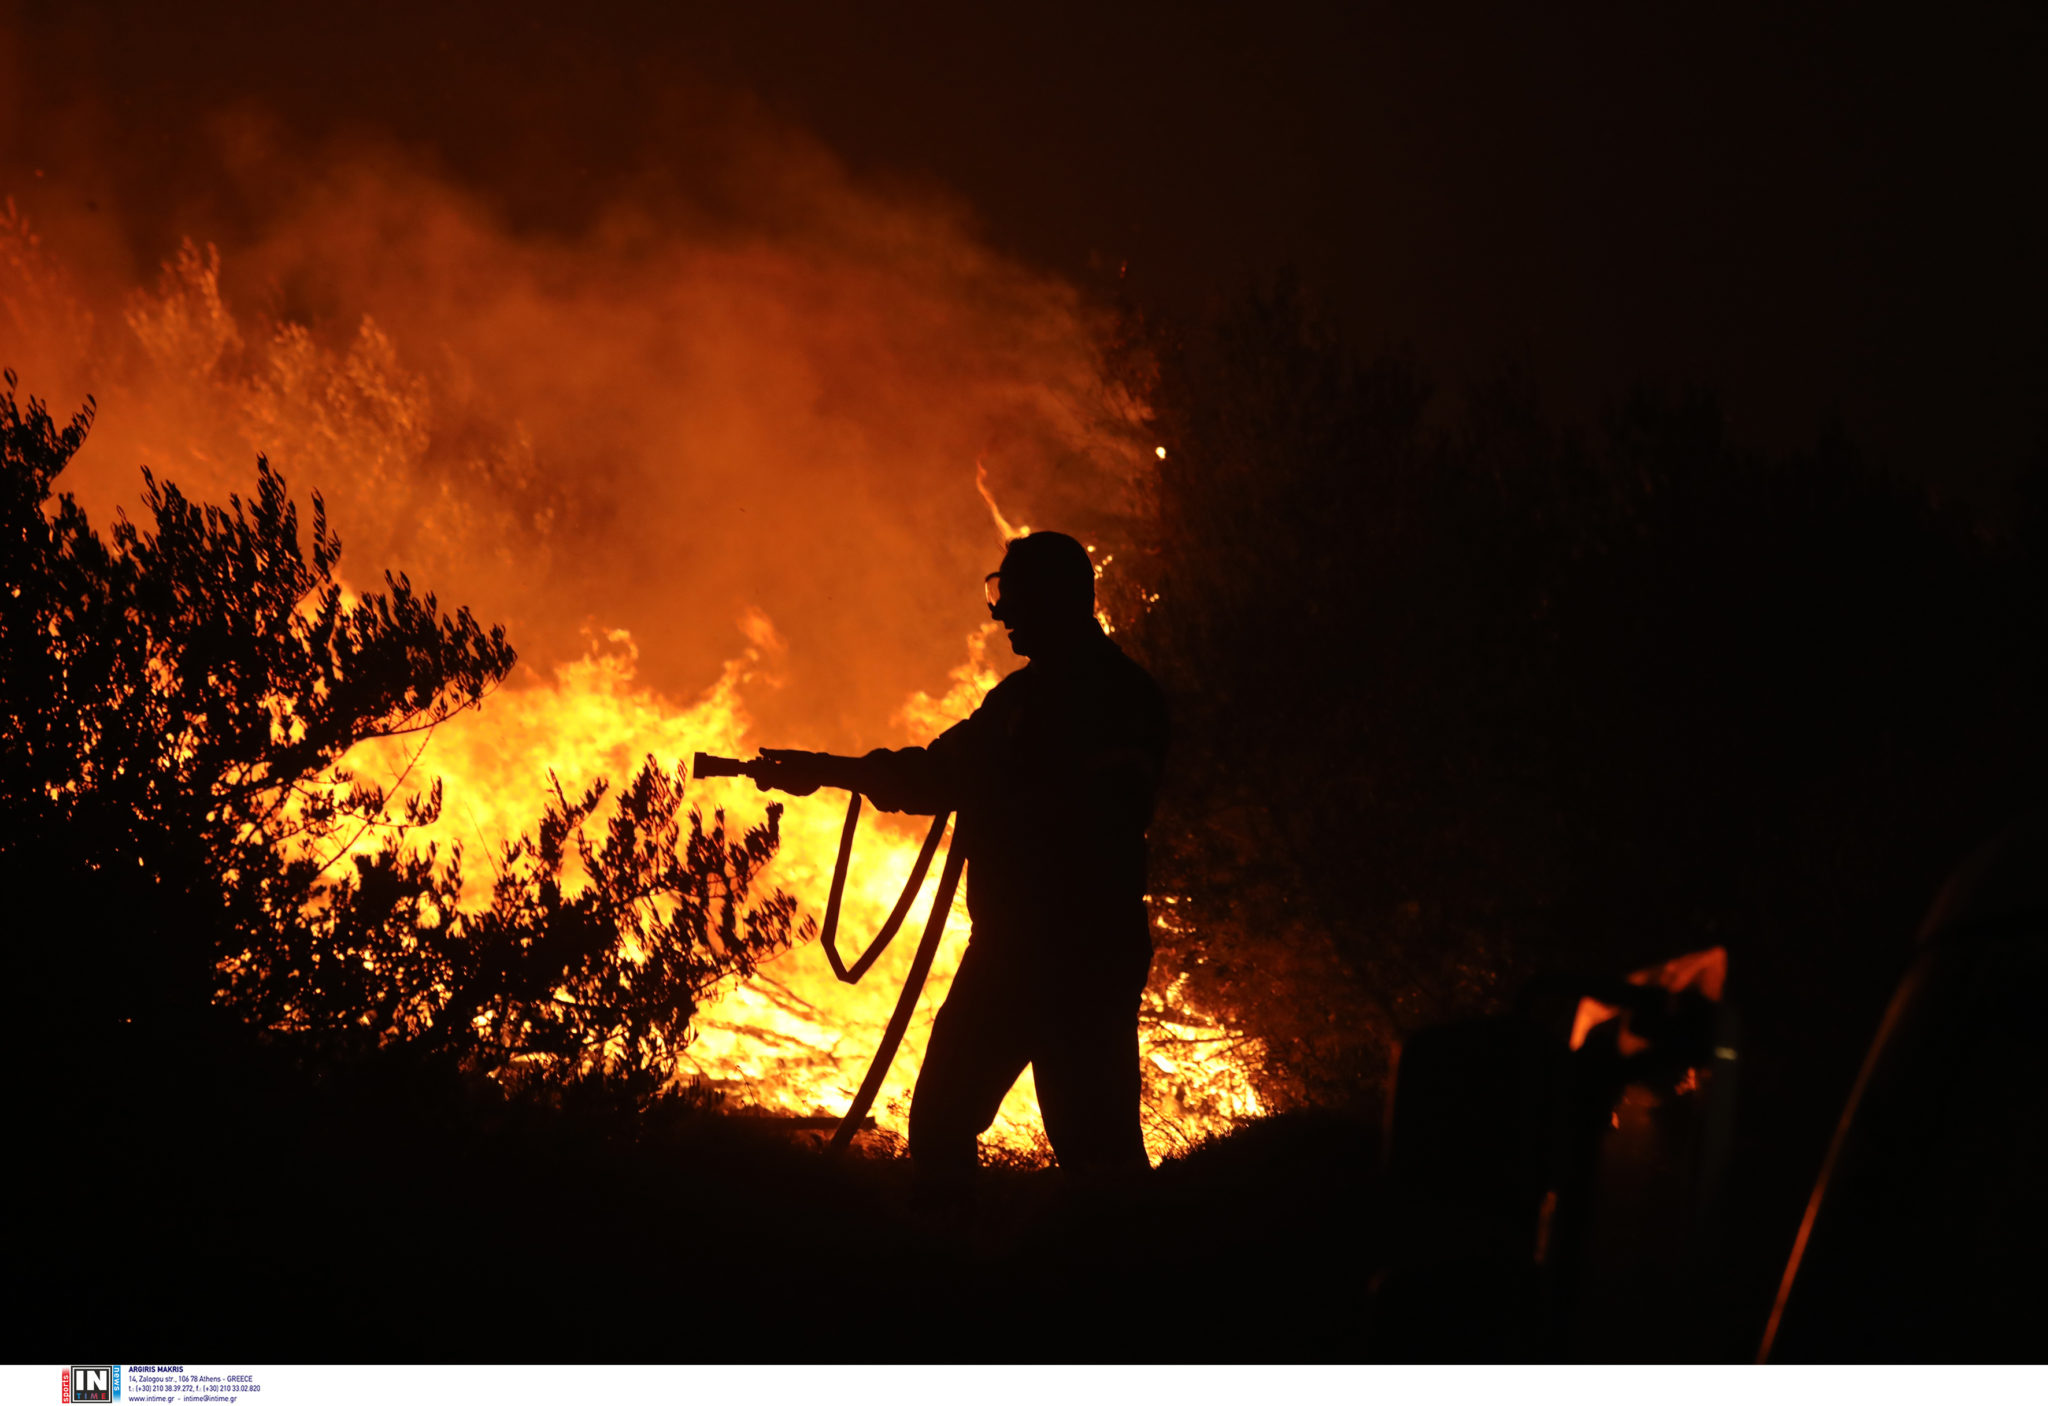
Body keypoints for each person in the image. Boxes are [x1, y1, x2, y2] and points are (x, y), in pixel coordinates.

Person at [762, 531, 1168, 1190]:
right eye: (999, 594)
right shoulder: (1017, 702)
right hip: (1010, 951)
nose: (1002, 613)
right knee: (942, 1125)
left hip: (1080, 954)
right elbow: (935, 774)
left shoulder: (1118, 699)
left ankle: (1127, 1278)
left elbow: (1098, 810)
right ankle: (970, 1271)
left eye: (1013, 596)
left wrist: (1000, 788)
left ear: (1055, 598)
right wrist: (827, 772)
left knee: (1099, 1156)